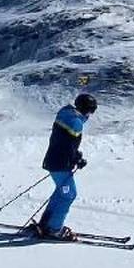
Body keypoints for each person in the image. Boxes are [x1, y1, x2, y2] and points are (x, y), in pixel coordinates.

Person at [36, 93, 96, 241]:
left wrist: (76, 155)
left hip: (55, 161)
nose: (90, 114)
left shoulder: (66, 114)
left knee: (62, 193)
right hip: (61, 164)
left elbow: (64, 141)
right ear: (86, 109)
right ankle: (54, 229)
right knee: (69, 194)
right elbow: (68, 146)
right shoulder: (76, 122)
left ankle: (46, 224)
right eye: (91, 111)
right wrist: (77, 158)